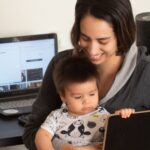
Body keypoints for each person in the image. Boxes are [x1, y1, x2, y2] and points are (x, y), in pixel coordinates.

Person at [23, 0, 150, 149]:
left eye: (103, 41)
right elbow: (32, 132)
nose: (92, 50)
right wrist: (64, 147)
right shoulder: (61, 65)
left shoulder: (145, 72)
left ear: (123, 34)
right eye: (85, 38)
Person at [35, 56, 134, 150]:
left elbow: (118, 136)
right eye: (78, 97)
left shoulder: (103, 115)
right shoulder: (56, 116)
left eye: (92, 94)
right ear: (63, 97)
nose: (87, 101)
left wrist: (121, 116)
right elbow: (42, 136)